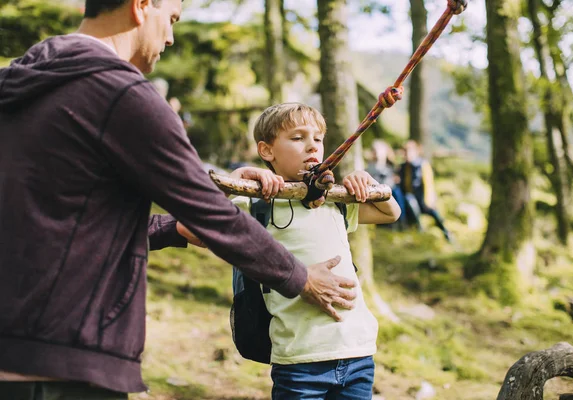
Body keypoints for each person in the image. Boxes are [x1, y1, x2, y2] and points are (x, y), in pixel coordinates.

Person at [0, 1, 357, 398]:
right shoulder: (121, 94)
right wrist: (302, 277)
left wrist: (173, 229)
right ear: (141, 7)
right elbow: (213, 215)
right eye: (170, 19)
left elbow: (66, 222)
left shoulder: (18, 84)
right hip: (64, 360)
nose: (169, 37)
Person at [230, 103, 401, 399]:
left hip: (357, 353)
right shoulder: (258, 206)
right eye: (297, 138)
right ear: (267, 150)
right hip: (299, 358)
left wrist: (366, 181)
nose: (312, 145)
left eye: (318, 139)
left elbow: (390, 213)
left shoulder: (334, 202)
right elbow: (205, 217)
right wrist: (239, 177)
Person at [397, 140, 451, 242]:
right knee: (409, 199)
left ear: (416, 151)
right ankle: (418, 228)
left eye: (409, 151)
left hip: (423, 199)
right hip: (411, 202)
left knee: (435, 214)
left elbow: (428, 184)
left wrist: (429, 201)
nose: (407, 154)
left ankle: (447, 233)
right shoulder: (403, 167)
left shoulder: (423, 165)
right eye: (405, 151)